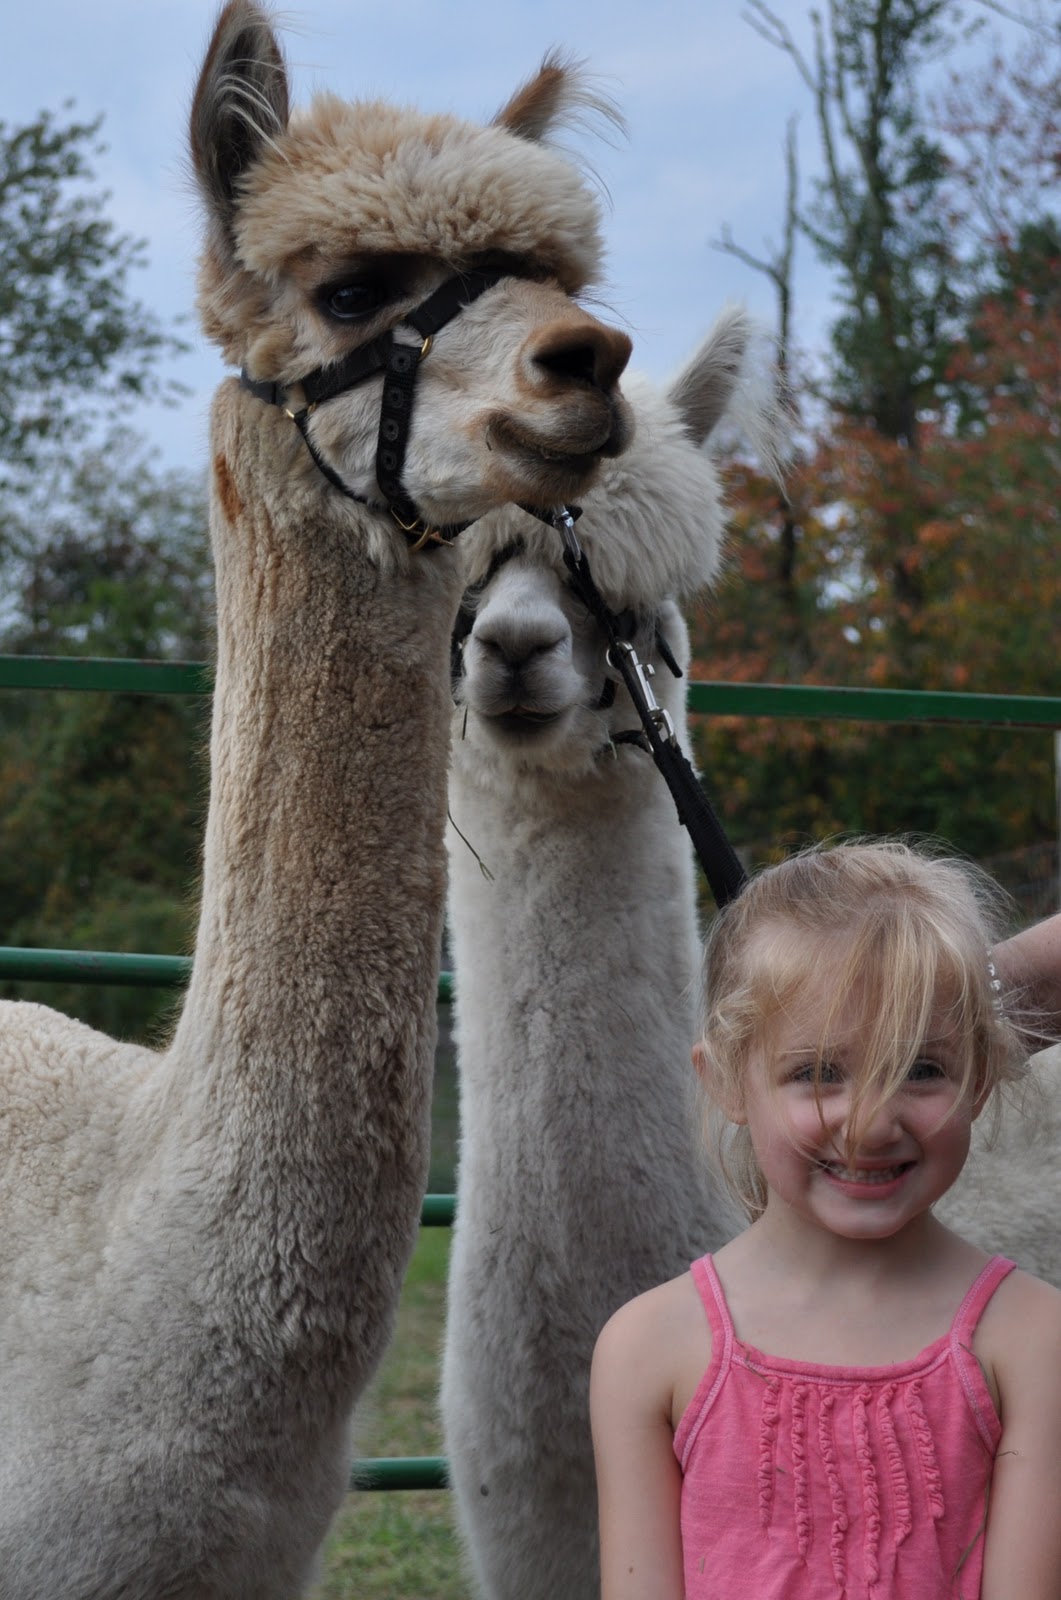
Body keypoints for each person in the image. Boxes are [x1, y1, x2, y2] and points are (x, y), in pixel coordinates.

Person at [591, 839, 1061, 1600]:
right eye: (817, 1073)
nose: (870, 1123)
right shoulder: (646, 1350)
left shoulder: (1033, 1340)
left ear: (979, 1075)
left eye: (919, 1068)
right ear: (727, 1083)